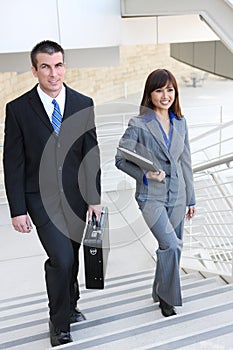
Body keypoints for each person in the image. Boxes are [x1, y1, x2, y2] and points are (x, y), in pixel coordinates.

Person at [3, 40, 101, 347]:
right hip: (40, 200)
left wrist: (94, 198)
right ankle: (59, 323)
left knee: (71, 256)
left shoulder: (83, 104)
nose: (53, 73)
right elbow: (13, 163)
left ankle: (71, 304)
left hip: (76, 198)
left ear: (64, 67)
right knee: (60, 258)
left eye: (58, 65)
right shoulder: (18, 109)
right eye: (45, 66)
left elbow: (91, 153)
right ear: (34, 70)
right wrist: (17, 209)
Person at [115, 68, 196, 317]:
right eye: (159, 90)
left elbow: (186, 163)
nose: (165, 95)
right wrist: (144, 175)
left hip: (178, 195)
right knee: (171, 245)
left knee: (171, 248)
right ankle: (167, 299)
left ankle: (159, 289)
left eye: (170, 89)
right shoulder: (139, 124)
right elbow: (120, 159)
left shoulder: (180, 123)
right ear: (150, 94)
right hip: (151, 197)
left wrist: (191, 198)